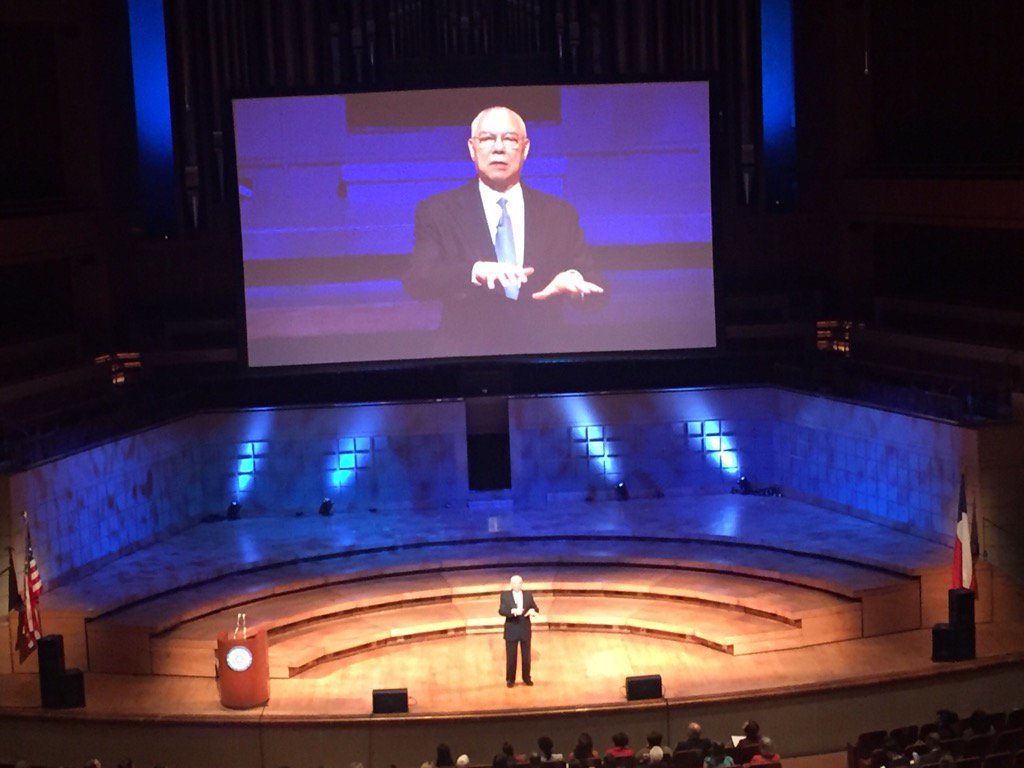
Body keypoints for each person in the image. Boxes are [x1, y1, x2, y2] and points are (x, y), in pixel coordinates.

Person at [403, 106, 604, 356]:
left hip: (543, 357)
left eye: (509, 139)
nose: (498, 148)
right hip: (467, 358)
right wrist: (476, 271)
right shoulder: (438, 210)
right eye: (487, 139)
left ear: (525, 148)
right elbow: (418, 279)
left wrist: (574, 285)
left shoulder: (560, 213)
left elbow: (596, 291)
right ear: (472, 148)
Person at [498, 574, 540, 687]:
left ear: (522, 584)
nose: (517, 585)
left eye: (519, 583)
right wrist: (512, 611)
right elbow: (501, 611)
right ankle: (510, 680)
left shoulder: (528, 595)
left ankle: (526, 678)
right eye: (515, 583)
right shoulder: (505, 595)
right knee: (511, 657)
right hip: (511, 629)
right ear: (511, 584)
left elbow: (535, 608)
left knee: (526, 657)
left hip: (525, 629)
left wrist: (533, 611)